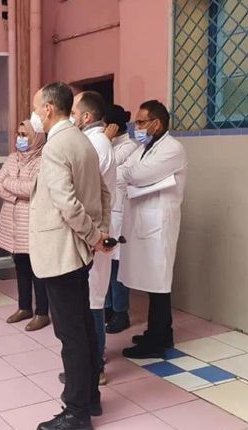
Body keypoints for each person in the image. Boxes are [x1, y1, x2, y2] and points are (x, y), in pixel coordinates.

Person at [29, 82, 111, 430]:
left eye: (36, 108)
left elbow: (66, 203)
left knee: (71, 334)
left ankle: (77, 412)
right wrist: (99, 233)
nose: (34, 115)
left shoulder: (57, 145)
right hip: (78, 251)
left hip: (62, 251)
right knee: (83, 328)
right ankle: (90, 398)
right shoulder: (84, 140)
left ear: (49, 108)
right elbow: (104, 193)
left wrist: (93, 236)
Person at [119, 100, 188, 359]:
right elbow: (123, 170)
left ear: (156, 123)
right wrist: (131, 172)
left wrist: (131, 173)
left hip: (160, 224)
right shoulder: (145, 147)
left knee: (159, 284)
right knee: (152, 282)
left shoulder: (173, 149)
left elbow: (136, 175)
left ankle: (157, 342)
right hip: (145, 222)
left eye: (140, 122)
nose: (135, 127)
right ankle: (159, 333)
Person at [69, 91, 116, 386]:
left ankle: (95, 366)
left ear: (86, 116)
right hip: (90, 231)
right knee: (89, 299)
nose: (70, 116)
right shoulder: (92, 141)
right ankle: (89, 362)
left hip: (94, 233)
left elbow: (81, 189)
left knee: (93, 302)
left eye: (73, 111)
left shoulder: (95, 144)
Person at [0, 120, 49, 332]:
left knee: (38, 271)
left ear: (37, 138)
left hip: (32, 223)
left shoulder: (44, 160)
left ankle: (42, 313)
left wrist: (9, 185)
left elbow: (34, 188)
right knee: (20, 266)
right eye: (19, 134)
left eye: (25, 135)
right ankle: (24, 307)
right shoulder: (12, 158)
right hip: (12, 222)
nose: (20, 138)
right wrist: (17, 197)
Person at [103, 104, 137, 334]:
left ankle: (120, 312)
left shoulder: (129, 146)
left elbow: (107, 166)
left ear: (113, 126)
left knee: (117, 268)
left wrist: (105, 140)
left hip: (119, 215)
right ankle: (106, 307)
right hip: (107, 213)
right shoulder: (111, 144)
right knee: (104, 264)